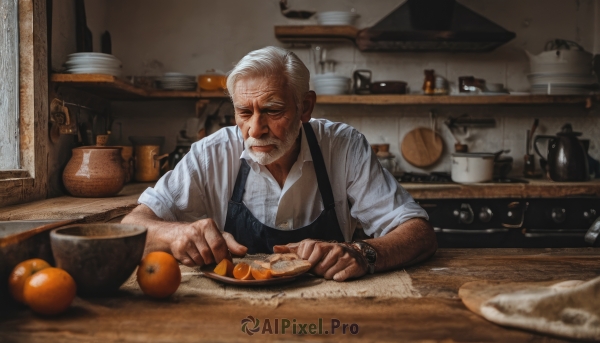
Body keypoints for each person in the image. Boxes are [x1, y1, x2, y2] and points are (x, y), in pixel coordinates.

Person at [122, 46, 437, 282]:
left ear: (305, 107)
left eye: (272, 111)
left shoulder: (342, 147)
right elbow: (131, 228)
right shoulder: (212, 154)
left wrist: (364, 253)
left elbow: (419, 233)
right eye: (244, 113)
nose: (255, 129)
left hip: (333, 307)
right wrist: (176, 235)